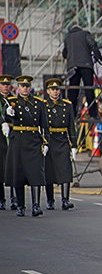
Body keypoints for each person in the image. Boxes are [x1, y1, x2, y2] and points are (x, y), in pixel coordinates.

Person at [3, 76, 50, 217]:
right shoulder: (11, 102)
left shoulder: (39, 103)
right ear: (18, 87)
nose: (25, 88)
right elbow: (3, 115)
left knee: (36, 173)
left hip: (34, 141)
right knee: (18, 174)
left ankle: (36, 205)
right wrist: (6, 116)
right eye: (23, 86)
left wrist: (46, 142)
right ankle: (21, 206)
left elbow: (45, 125)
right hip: (18, 140)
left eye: (27, 86)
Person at [43, 78, 77, 211]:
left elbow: (71, 127)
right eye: (53, 89)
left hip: (62, 140)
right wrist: (43, 142)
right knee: (49, 172)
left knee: (65, 170)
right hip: (50, 140)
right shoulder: (43, 105)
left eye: (57, 89)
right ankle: (50, 200)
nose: (55, 92)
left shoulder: (67, 105)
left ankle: (65, 199)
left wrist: (74, 145)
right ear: (48, 91)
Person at [62, 25, 102, 118]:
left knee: (73, 90)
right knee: (88, 88)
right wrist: (98, 56)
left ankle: (72, 113)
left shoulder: (68, 38)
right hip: (86, 65)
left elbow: (64, 53)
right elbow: (92, 44)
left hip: (73, 66)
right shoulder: (85, 34)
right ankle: (93, 113)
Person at [0, 74, 18, 210]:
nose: (6, 86)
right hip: (0, 138)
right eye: (3, 84)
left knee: (13, 167)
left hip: (13, 136)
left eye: (7, 84)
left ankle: (14, 198)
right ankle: (1, 198)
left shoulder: (14, 99)